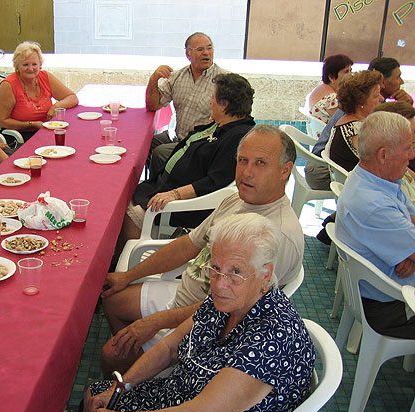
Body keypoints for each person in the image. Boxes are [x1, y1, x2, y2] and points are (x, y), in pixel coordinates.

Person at [83, 213, 316, 412]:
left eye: (235, 272)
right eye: (215, 268)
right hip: (183, 398)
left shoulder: (273, 338)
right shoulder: (228, 300)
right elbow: (171, 347)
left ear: (266, 275)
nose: (219, 283)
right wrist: (121, 386)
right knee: (97, 397)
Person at [101, 125, 304, 376]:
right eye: (243, 161)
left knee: (111, 354)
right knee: (111, 299)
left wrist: (157, 322)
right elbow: (188, 245)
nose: (247, 173)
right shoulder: (238, 200)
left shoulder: (278, 235)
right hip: (185, 294)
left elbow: (230, 313)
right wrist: (127, 276)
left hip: (208, 327)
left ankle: (140, 380)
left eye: (261, 163)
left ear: (286, 170)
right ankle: (136, 373)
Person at [122, 73, 255, 246]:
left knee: (129, 215)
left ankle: (127, 260)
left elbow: (213, 182)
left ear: (225, 105)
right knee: (124, 195)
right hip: (167, 186)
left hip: (187, 204)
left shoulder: (236, 138)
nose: (210, 102)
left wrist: (174, 194)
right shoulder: (224, 124)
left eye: (213, 98)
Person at [335, 111, 415, 338]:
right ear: (383, 155)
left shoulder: (377, 181)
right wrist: (409, 251)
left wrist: (408, 252)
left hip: (387, 289)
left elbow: (412, 218)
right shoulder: (374, 204)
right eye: (408, 147)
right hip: (392, 304)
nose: (412, 155)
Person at [145, 32, 228, 175]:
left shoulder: (224, 81)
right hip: (180, 138)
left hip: (203, 144)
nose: (206, 53)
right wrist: (154, 79)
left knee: (160, 153)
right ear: (188, 54)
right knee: (147, 143)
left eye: (209, 48)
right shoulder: (178, 77)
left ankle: (159, 187)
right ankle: (161, 180)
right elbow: (153, 105)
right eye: (200, 49)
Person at [306, 69, 383, 190]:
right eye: (376, 95)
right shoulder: (355, 131)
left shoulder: (348, 120)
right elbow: (378, 168)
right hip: (353, 188)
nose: (382, 99)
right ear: (361, 101)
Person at [0, 41, 78, 142]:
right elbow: (1, 122)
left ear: (40, 65)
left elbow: (72, 98)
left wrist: (55, 106)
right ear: (17, 66)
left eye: (34, 64)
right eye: (25, 64)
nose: (30, 69)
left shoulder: (45, 77)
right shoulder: (8, 85)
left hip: (45, 132)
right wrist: (31, 124)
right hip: (20, 136)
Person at [306, 54, 353, 123]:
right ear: (332, 77)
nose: (351, 75)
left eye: (350, 70)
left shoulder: (322, 89)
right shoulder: (332, 100)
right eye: (346, 72)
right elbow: (347, 122)